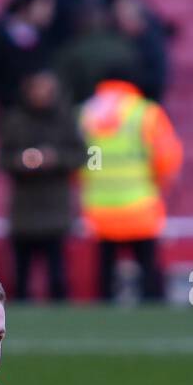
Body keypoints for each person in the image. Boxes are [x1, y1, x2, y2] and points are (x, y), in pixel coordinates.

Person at [79, 63, 183, 302]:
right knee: (147, 266)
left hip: (99, 204)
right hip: (140, 201)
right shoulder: (145, 112)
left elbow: (77, 160)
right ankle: (152, 308)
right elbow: (166, 156)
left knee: (105, 269)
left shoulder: (85, 112)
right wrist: (160, 182)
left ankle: (104, 315)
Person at [0, 70, 87, 301]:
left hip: (55, 208)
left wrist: (55, 158)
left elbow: (81, 155)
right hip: (24, 208)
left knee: (57, 273)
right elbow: (1, 159)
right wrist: (21, 161)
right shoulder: (14, 120)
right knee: (21, 275)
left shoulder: (66, 119)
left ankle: (62, 315)